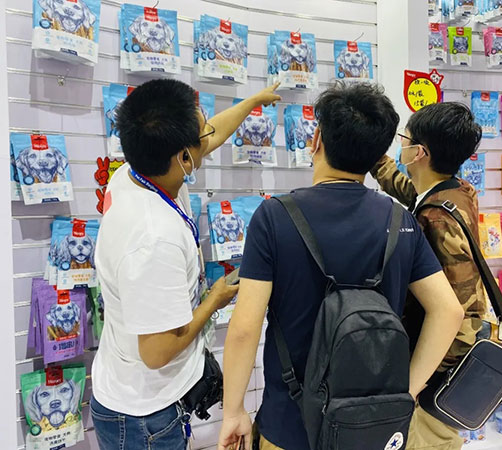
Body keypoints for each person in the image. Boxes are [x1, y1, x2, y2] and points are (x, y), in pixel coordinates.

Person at [216, 83, 464, 450]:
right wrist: (406, 391)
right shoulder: (401, 221)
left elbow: (244, 329)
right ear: (378, 154)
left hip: (290, 425)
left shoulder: (274, 217)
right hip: (370, 428)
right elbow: (449, 311)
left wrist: (234, 410)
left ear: (316, 139)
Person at [90, 79, 281, 450]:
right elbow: (157, 353)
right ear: (184, 158)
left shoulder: (135, 172)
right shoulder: (154, 239)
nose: (208, 135)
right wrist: (213, 300)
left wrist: (253, 101)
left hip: (133, 394)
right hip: (145, 416)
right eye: (201, 132)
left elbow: (213, 135)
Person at [370, 102, 488, 450]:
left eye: (403, 139)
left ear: (419, 152)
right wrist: (373, 154)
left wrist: (419, 381)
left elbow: (462, 309)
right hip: (436, 366)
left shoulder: (437, 220)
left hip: (435, 375)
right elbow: (411, 192)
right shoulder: (454, 192)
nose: (400, 144)